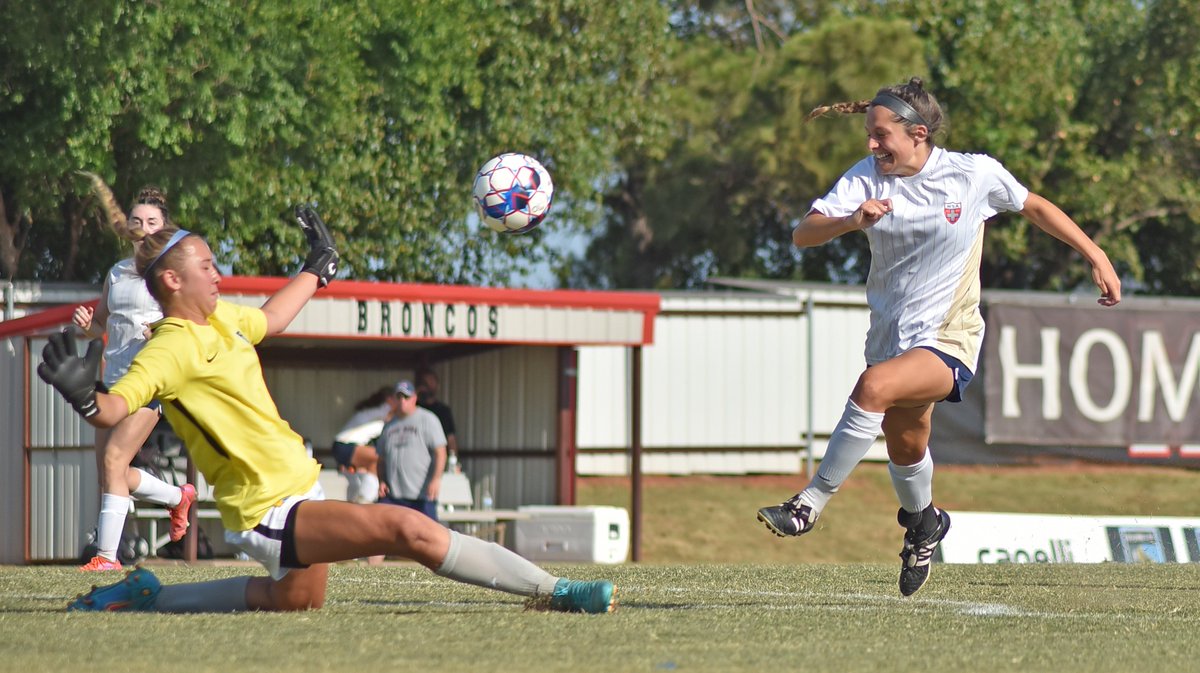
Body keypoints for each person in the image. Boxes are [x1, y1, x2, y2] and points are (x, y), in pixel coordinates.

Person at [39, 208, 615, 614]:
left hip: (297, 493)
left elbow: (273, 318)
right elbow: (114, 410)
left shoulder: (222, 318)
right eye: (208, 266)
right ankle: (557, 589)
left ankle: (146, 593)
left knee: (294, 601)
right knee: (406, 528)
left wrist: (320, 265)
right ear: (172, 279)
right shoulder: (168, 346)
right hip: (267, 510)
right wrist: (85, 394)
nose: (220, 274)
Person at [756, 77, 1121, 597]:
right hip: (891, 336)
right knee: (906, 445)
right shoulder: (867, 179)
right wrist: (850, 221)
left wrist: (1097, 256)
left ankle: (808, 504)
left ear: (918, 133)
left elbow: (1035, 206)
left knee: (873, 389)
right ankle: (925, 523)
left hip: (951, 337)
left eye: (881, 135)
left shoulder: (973, 174)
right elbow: (803, 232)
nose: (871, 145)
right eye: (869, 134)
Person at [72, 177, 196, 571]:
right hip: (113, 382)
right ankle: (178, 498)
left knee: (113, 461)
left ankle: (107, 558)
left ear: (165, 229)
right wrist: (87, 324)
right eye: (137, 220)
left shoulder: (169, 274)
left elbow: (190, 321)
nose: (143, 227)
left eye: (152, 222)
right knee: (112, 472)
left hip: (150, 381)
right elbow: (102, 325)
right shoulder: (118, 272)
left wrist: (160, 330)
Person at [376, 380, 446, 520]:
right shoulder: (388, 426)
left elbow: (441, 452)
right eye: (399, 397)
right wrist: (382, 481)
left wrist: (436, 480)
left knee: (427, 538)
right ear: (394, 399)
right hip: (394, 497)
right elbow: (381, 459)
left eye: (406, 397)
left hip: (421, 497)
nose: (403, 401)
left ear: (414, 398)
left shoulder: (428, 419)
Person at [331, 385, 394, 504]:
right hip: (345, 445)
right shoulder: (382, 409)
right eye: (396, 398)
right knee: (378, 460)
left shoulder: (373, 412)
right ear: (389, 399)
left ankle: (355, 499)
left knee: (365, 470)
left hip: (342, 446)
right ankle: (364, 500)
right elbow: (393, 413)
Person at [415, 368, 459, 471]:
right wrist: (416, 394)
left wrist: (454, 462)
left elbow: (451, 438)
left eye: (431, 382)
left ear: (437, 385)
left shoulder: (443, 410)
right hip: (418, 460)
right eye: (425, 383)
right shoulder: (415, 409)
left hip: (437, 459)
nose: (428, 386)